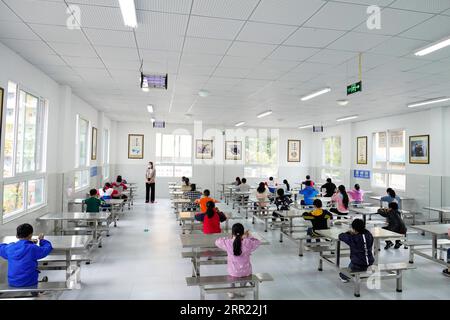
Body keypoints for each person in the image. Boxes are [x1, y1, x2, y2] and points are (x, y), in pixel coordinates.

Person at [215, 223, 261, 299]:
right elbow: (258, 242)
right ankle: (242, 290)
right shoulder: (248, 242)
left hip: (233, 271)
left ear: (232, 233)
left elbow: (217, 241)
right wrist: (248, 236)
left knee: (231, 272)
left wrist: (229, 237)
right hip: (245, 271)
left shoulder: (228, 242)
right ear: (243, 233)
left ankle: (231, 292)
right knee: (245, 272)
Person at [338, 219, 374, 283]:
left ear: (354, 229)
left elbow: (341, 236)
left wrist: (349, 233)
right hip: (370, 261)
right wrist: (355, 233)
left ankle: (345, 276)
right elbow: (362, 238)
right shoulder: (369, 235)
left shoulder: (353, 239)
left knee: (343, 274)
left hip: (357, 263)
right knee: (361, 255)